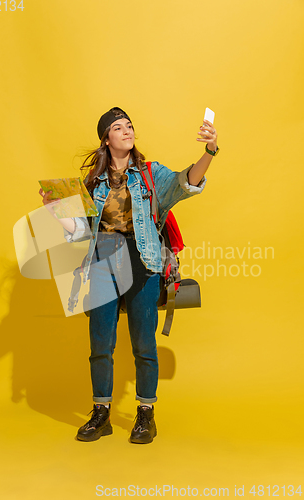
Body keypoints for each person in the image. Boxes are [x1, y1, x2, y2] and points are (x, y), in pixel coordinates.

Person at [39, 107, 219, 444]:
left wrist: (209, 151)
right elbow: (81, 231)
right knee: (100, 344)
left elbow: (188, 181)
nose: (127, 131)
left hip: (143, 261)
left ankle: (145, 415)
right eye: (118, 127)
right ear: (106, 139)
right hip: (102, 262)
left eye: (130, 126)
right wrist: (55, 210)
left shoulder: (151, 174)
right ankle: (101, 413)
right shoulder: (92, 183)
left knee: (143, 344)